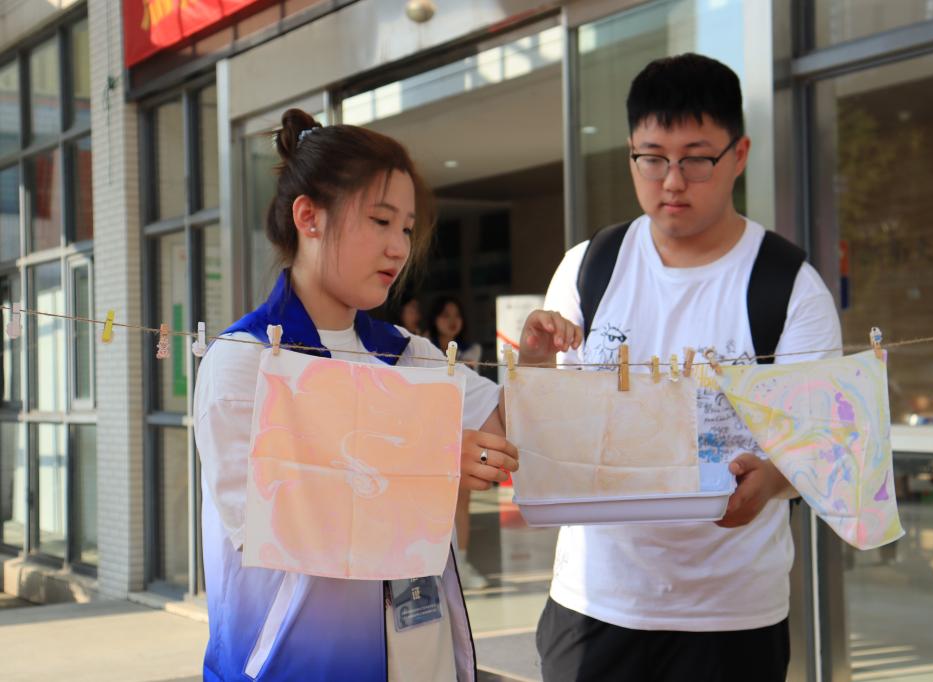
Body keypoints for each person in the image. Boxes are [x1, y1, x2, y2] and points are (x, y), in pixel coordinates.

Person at [194, 109, 579, 681]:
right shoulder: (244, 361)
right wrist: (430, 462)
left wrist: (536, 366)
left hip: (420, 659)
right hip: (293, 666)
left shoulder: (406, 353)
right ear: (308, 217)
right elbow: (274, 527)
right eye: (380, 221)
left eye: (406, 228)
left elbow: (499, 439)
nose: (399, 247)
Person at [529, 54, 842, 681]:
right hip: (595, 602)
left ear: (739, 154)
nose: (672, 181)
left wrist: (772, 478)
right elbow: (545, 430)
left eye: (696, 159)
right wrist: (533, 368)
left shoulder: (787, 285)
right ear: (631, 155)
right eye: (651, 158)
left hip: (731, 614)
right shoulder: (590, 266)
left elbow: (821, 439)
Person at [426, 295, 486, 588]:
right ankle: (433, 564)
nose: (451, 321)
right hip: (429, 433)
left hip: (462, 429)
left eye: (456, 315)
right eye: (445, 314)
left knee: (462, 500)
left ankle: (462, 564)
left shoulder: (471, 350)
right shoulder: (419, 348)